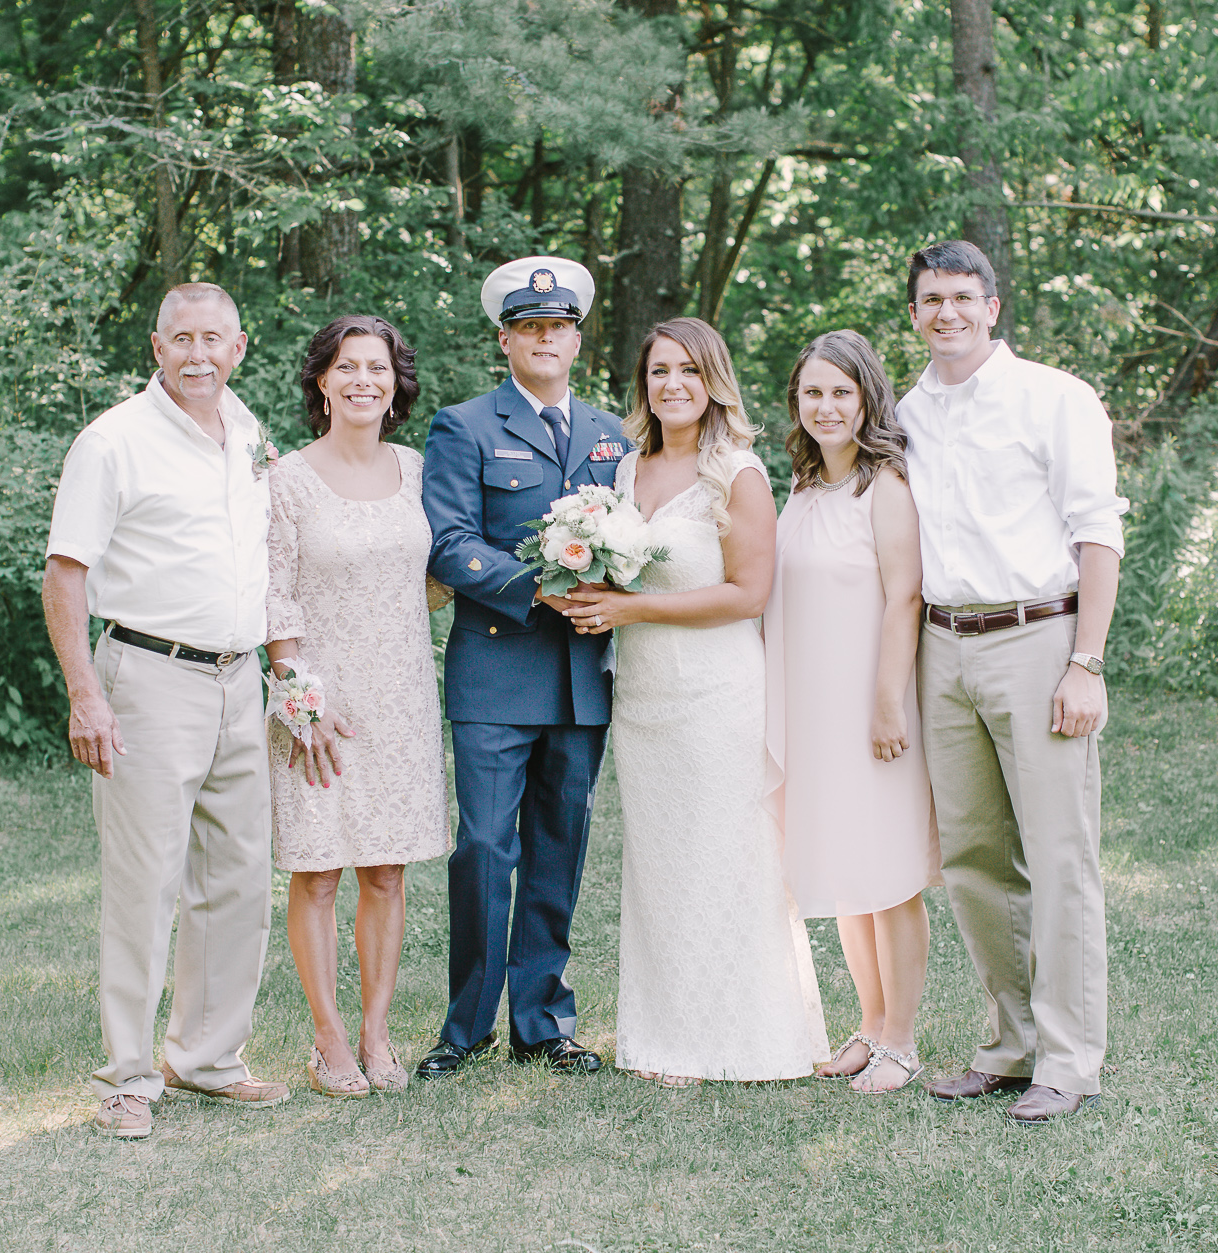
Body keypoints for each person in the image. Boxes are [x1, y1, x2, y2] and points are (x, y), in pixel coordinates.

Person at [41, 281, 304, 1139]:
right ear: (156, 348)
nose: (198, 354)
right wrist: (86, 692)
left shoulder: (248, 430)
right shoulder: (112, 441)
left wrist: (284, 674)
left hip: (239, 683)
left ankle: (208, 1058)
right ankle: (126, 1075)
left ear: (239, 346)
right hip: (148, 679)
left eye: (213, 339)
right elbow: (66, 575)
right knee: (144, 884)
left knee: (237, 880)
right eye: (181, 339)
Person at [894, 241, 1127, 1125]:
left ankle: (1070, 1061)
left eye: (962, 297)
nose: (946, 312)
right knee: (974, 859)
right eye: (930, 299)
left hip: (1038, 639)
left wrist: (1086, 661)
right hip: (941, 648)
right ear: (912, 312)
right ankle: (1010, 1043)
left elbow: (1096, 533)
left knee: (1060, 855)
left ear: (993, 307)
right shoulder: (907, 413)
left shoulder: (1055, 398)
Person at [563, 318, 826, 1087]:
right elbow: (618, 580)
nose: (672, 384)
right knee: (661, 866)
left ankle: (744, 1036)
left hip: (717, 692)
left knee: (727, 859)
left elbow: (749, 592)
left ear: (713, 380)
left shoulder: (736, 471)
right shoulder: (624, 472)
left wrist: (630, 611)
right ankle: (665, 1035)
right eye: (658, 371)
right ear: (643, 384)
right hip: (643, 695)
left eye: (687, 370)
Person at [416, 256, 631, 1079]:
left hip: (582, 677)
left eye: (560, 326)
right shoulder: (464, 426)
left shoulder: (615, 433)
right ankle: (465, 1024)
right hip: (496, 672)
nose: (547, 338)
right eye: (531, 327)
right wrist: (541, 588)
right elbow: (449, 542)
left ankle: (543, 1021)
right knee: (481, 848)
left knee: (557, 846)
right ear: (506, 339)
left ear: (576, 338)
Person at [264, 315, 449, 1099]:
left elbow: (435, 575)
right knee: (318, 873)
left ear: (395, 382)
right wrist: (300, 698)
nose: (363, 380)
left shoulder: (417, 468)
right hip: (319, 706)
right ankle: (328, 1036)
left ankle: (377, 1033)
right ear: (322, 381)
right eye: (347, 367)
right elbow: (273, 594)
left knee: (386, 872)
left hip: (403, 697)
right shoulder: (287, 479)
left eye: (377, 367)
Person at [764, 329, 940, 1095]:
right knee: (844, 875)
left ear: (867, 396)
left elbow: (905, 595)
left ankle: (901, 1039)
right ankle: (867, 1025)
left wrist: (885, 702)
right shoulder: (801, 488)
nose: (826, 406)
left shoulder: (886, 486)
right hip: (811, 707)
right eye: (812, 392)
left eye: (841, 391)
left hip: (873, 710)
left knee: (890, 875)